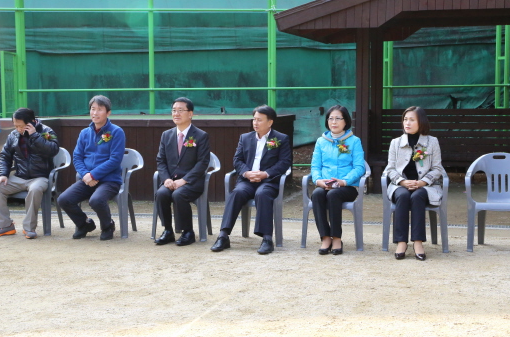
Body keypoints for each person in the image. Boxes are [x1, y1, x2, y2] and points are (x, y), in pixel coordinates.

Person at [210, 105, 292, 255]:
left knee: (263, 194)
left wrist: (265, 174)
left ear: (270, 122)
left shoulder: (281, 138)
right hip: (247, 180)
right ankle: (223, 235)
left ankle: (267, 239)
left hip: (268, 181)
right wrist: (246, 173)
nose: (255, 123)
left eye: (259, 120)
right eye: (254, 119)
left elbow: (284, 162)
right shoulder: (245, 138)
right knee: (237, 193)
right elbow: (237, 160)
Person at [58, 95, 126, 241]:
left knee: (96, 200)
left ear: (108, 113)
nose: (95, 113)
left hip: (110, 180)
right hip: (87, 179)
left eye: (100, 109)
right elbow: (77, 157)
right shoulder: (84, 133)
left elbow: (115, 160)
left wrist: (94, 175)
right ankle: (84, 224)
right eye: (92, 109)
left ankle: (108, 226)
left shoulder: (116, 132)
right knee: (64, 199)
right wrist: (85, 175)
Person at [0, 108, 60, 239]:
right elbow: (5, 156)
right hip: (20, 177)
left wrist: (35, 135)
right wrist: (3, 174)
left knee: (35, 189)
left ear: (31, 122)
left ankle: (29, 228)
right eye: (15, 125)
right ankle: (5, 225)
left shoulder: (46, 131)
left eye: (20, 126)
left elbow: (53, 150)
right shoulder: (13, 135)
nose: (18, 128)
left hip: (40, 177)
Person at [384, 106, 445, 261]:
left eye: (412, 120)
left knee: (417, 197)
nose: (407, 123)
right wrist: (402, 182)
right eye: (405, 119)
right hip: (400, 185)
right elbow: (390, 169)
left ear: (421, 122)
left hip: (425, 186)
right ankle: (401, 242)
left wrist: (422, 182)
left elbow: (438, 168)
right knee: (403, 196)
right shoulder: (395, 143)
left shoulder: (432, 142)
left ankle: (418, 242)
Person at [154, 97, 211, 247]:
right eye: (174, 110)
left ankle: (188, 232)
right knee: (161, 193)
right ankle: (168, 231)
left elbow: (202, 163)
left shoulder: (200, 135)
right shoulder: (166, 135)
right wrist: (166, 179)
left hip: (192, 181)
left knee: (179, 194)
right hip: (171, 180)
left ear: (190, 114)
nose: (176, 114)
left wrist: (184, 180)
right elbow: (161, 160)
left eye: (181, 110)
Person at [310, 105, 365, 255]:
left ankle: (337, 238)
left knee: (333, 195)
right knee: (317, 194)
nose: (333, 122)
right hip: (325, 184)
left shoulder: (354, 141)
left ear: (346, 121)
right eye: (330, 118)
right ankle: (325, 237)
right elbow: (315, 166)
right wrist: (318, 180)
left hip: (346, 187)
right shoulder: (321, 141)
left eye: (338, 118)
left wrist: (343, 181)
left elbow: (360, 167)